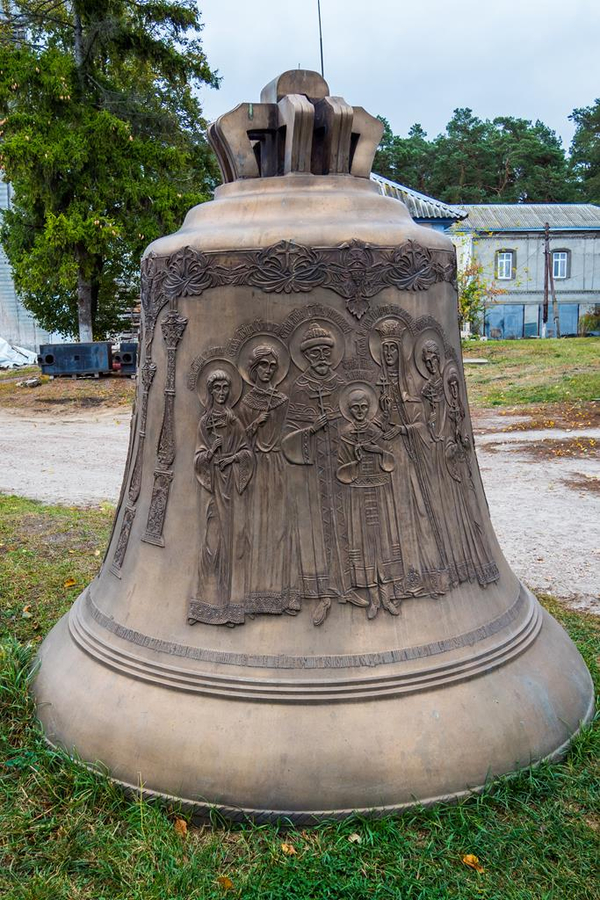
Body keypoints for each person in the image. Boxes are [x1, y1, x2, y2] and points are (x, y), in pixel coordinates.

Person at [282, 323, 367, 624]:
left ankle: (348, 586)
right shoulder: (299, 389)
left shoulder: (341, 383)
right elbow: (288, 437)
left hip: (342, 468)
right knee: (318, 532)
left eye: (325, 352)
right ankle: (323, 594)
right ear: (305, 356)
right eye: (314, 352)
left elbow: (355, 420)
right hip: (312, 474)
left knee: (347, 527)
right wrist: (312, 429)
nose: (321, 357)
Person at [237, 345, 301, 616]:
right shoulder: (245, 405)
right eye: (262, 366)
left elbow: (292, 434)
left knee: (280, 526)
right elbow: (237, 441)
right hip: (256, 468)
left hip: (278, 465)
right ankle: (254, 595)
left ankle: (285, 593)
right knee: (256, 527)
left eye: (272, 367)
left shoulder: (283, 401)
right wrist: (253, 426)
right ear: (253, 370)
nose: (268, 371)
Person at [190, 369, 253, 625]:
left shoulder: (233, 420)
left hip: (230, 490)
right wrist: (210, 453)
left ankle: (228, 606)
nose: (221, 393)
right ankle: (203, 604)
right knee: (211, 542)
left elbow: (246, 451)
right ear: (210, 391)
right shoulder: (204, 423)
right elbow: (198, 457)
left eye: (225, 389)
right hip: (211, 486)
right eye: (216, 389)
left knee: (229, 545)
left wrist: (232, 458)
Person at [337, 387, 403, 618]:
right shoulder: (345, 434)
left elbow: (391, 462)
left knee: (383, 543)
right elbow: (341, 472)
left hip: (380, 491)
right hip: (357, 495)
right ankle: (374, 599)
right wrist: (354, 461)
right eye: (355, 408)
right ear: (348, 409)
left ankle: (388, 596)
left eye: (364, 407)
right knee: (365, 546)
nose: (360, 412)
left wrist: (378, 451)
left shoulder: (376, 431)